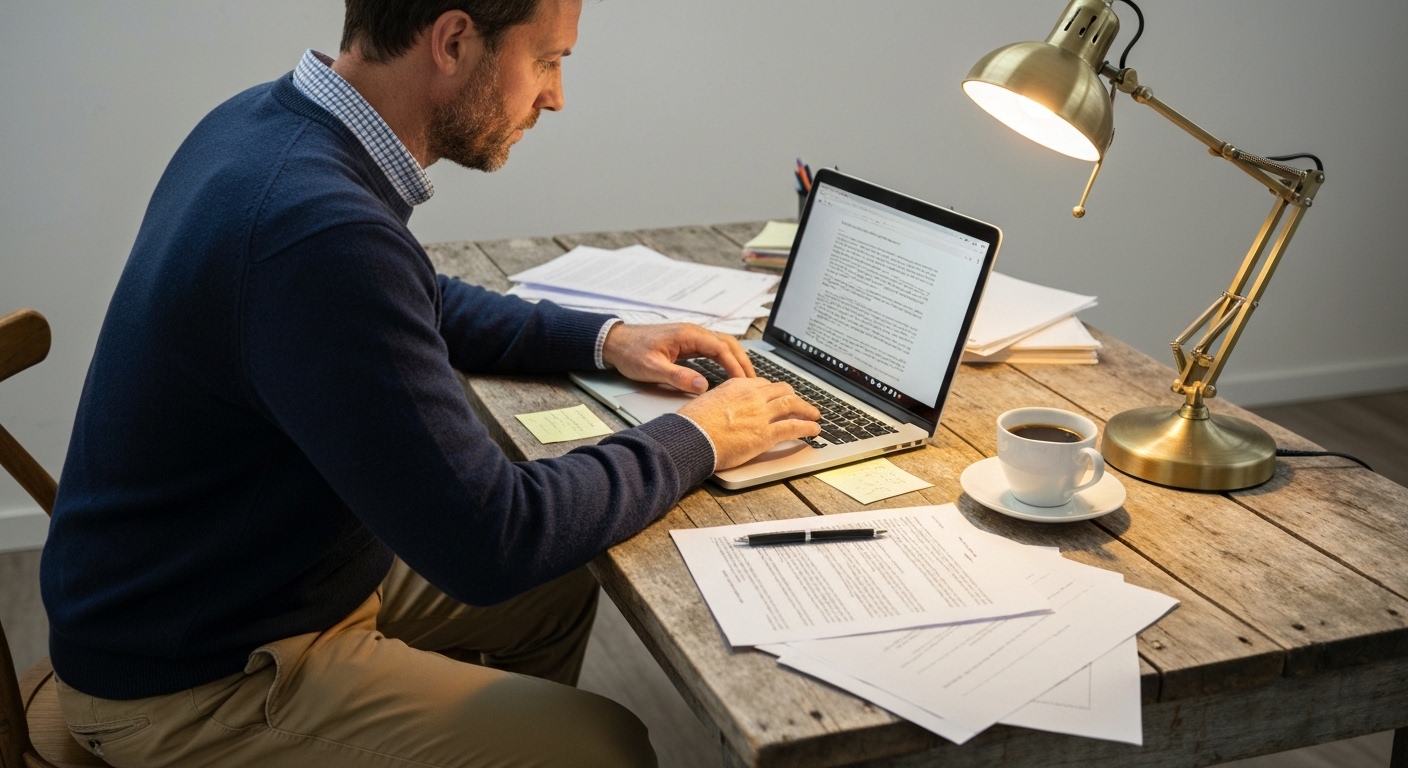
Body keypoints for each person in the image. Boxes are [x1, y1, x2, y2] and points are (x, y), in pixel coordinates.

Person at [39, 1, 821, 766]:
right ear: (452, 40)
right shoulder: (318, 227)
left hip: (237, 584)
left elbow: (410, 297)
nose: (555, 95)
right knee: (601, 747)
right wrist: (703, 436)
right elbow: (494, 541)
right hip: (191, 674)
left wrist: (605, 338)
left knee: (563, 581)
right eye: (547, 59)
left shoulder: (263, 127)